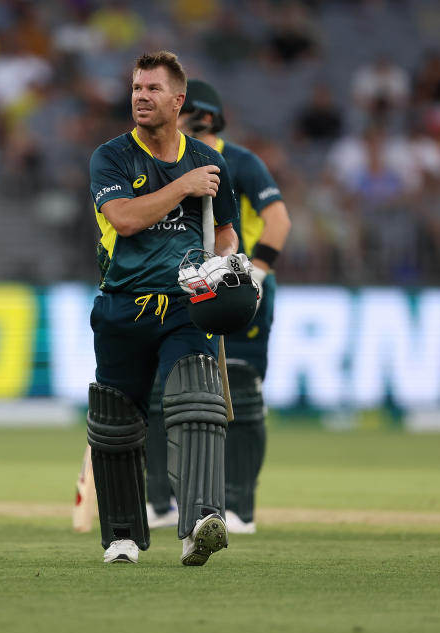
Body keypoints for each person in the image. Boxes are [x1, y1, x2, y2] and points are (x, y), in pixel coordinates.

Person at [87, 51, 251, 566]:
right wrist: (182, 186)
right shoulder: (110, 157)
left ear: (178, 100)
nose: (140, 96)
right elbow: (125, 219)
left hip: (186, 305)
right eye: (136, 88)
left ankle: (202, 521)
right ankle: (122, 536)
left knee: (199, 402)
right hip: (123, 303)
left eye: (152, 89)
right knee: (116, 423)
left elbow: (226, 235)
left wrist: (225, 267)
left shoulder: (211, 160)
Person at [146, 79, 291, 535]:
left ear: (202, 117)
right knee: (159, 393)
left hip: (236, 296)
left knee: (241, 395)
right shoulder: (161, 163)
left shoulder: (241, 162)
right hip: (179, 294)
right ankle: (160, 501)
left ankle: (239, 508)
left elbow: (279, 221)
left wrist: (257, 275)